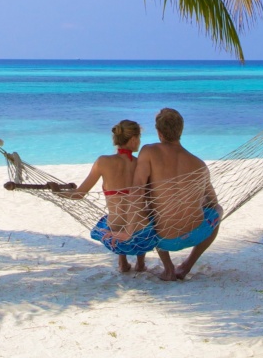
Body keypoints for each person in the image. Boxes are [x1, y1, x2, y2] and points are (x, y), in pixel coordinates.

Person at [133, 107, 221, 280]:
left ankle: (168, 268)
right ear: (181, 131)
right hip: (196, 234)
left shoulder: (149, 151)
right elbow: (212, 202)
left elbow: (138, 189)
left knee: (148, 204)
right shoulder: (199, 164)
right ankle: (187, 265)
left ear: (159, 132)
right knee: (218, 210)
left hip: (165, 237)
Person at [65, 119, 153, 272]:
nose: (139, 141)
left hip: (115, 238)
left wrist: (56, 192)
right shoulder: (142, 164)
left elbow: (79, 195)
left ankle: (123, 262)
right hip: (142, 236)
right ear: (133, 139)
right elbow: (151, 198)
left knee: (107, 220)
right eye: (139, 138)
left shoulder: (103, 162)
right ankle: (140, 263)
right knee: (143, 211)